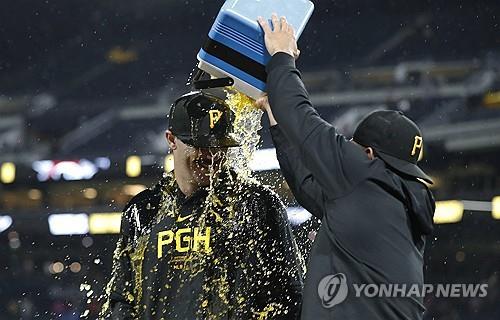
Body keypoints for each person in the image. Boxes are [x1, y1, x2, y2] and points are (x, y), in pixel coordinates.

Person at [256, 14, 436, 319]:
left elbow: (301, 115)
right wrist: (276, 118)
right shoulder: (400, 197)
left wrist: (282, 56)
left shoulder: (365, 173)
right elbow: (307, 188)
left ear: (367, 152)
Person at [100, 89, 303, 319]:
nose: (212, 154)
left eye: (220, 145)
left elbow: (287, 299)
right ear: (171, 140)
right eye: (201, 144)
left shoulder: (256, 204)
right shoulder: (143, 210)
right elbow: (122, 299)